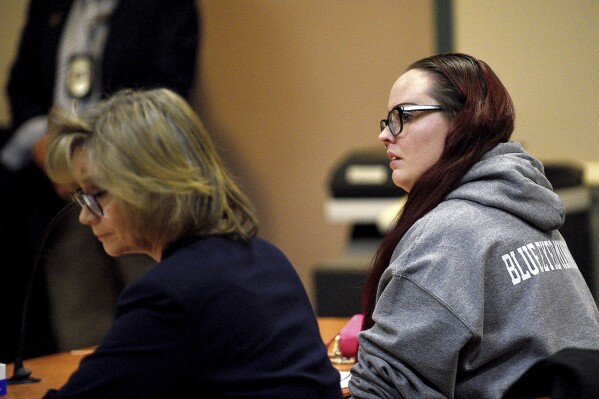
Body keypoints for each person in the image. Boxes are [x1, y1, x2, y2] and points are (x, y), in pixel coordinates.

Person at [40, 88, 343, 399]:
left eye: (97, 194)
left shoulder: (171, 294)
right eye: (81, 197)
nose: (85, 217)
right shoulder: (268, 258)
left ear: (153, 185)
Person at [348, 53, 599, 398]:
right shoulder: (530, 212)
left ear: (464, 122)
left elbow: (381, 390)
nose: (385, 136)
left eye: (402, 116)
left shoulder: (448, 233)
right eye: (386, 120)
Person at [0, 0, 199, 363]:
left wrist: (95, 161)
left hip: (135, 185)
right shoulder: (47, 6)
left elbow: (165, 95)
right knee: (79, 319)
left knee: (156, 319)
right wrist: (53, 153)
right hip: (51, 187)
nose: (87, 214)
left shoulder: (168, 8)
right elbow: (21, 88)